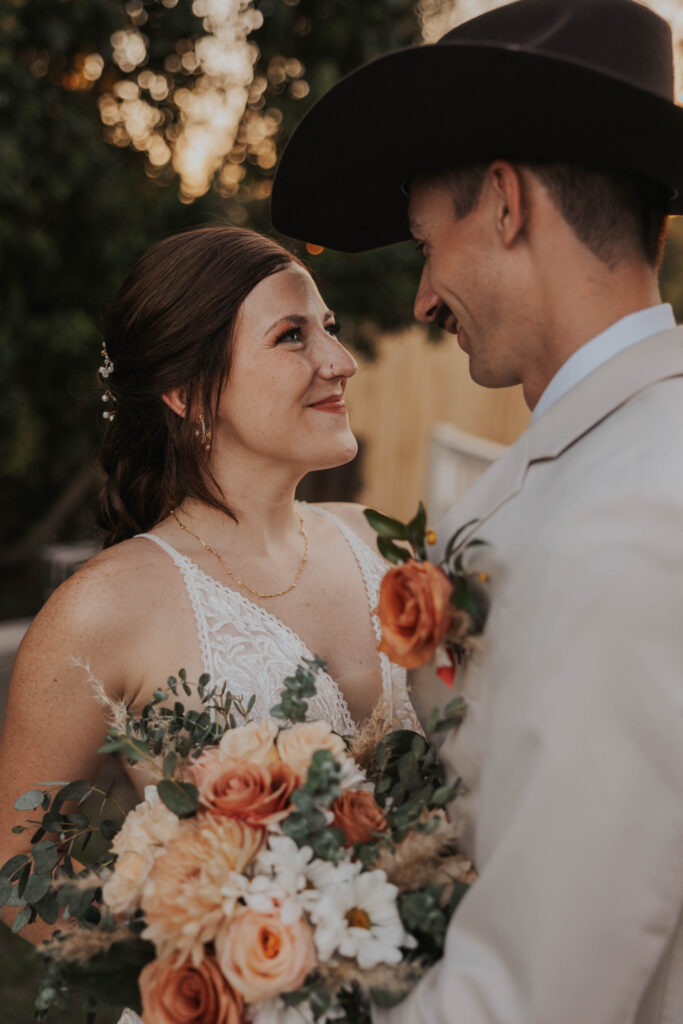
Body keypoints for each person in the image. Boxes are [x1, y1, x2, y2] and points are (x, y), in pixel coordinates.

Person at [271, 1, 683, 1021]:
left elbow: (535, 992)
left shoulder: (627, 520)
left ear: (503, 202)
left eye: (422, 243)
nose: (418, 299)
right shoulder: (578, 470)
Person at [0, 227, 419, 965]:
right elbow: (19, 873)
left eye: (330, 328)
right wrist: (210, 974)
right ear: (186, 390)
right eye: (292, 336)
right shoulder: (101, 611)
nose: (340, 362)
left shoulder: (388, 547)